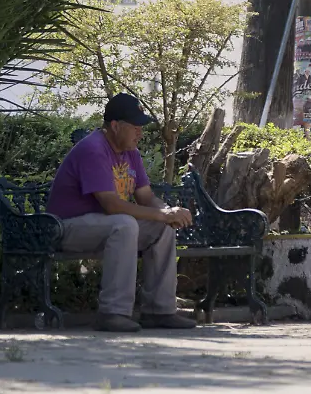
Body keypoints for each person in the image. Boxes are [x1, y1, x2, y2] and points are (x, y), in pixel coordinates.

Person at [46, 92, 198, 332]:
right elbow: (111, 205)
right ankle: (112, 313)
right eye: (135, 126)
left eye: (141, 127)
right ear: (115, 126)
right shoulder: (93, 149)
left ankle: (159, 311)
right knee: (125, 224)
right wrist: (161, 214)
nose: (140, 132)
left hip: (104, 225)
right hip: (66, 227)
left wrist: (169, 212)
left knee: (163, 228)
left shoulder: (131, 153)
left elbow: (146, 197)